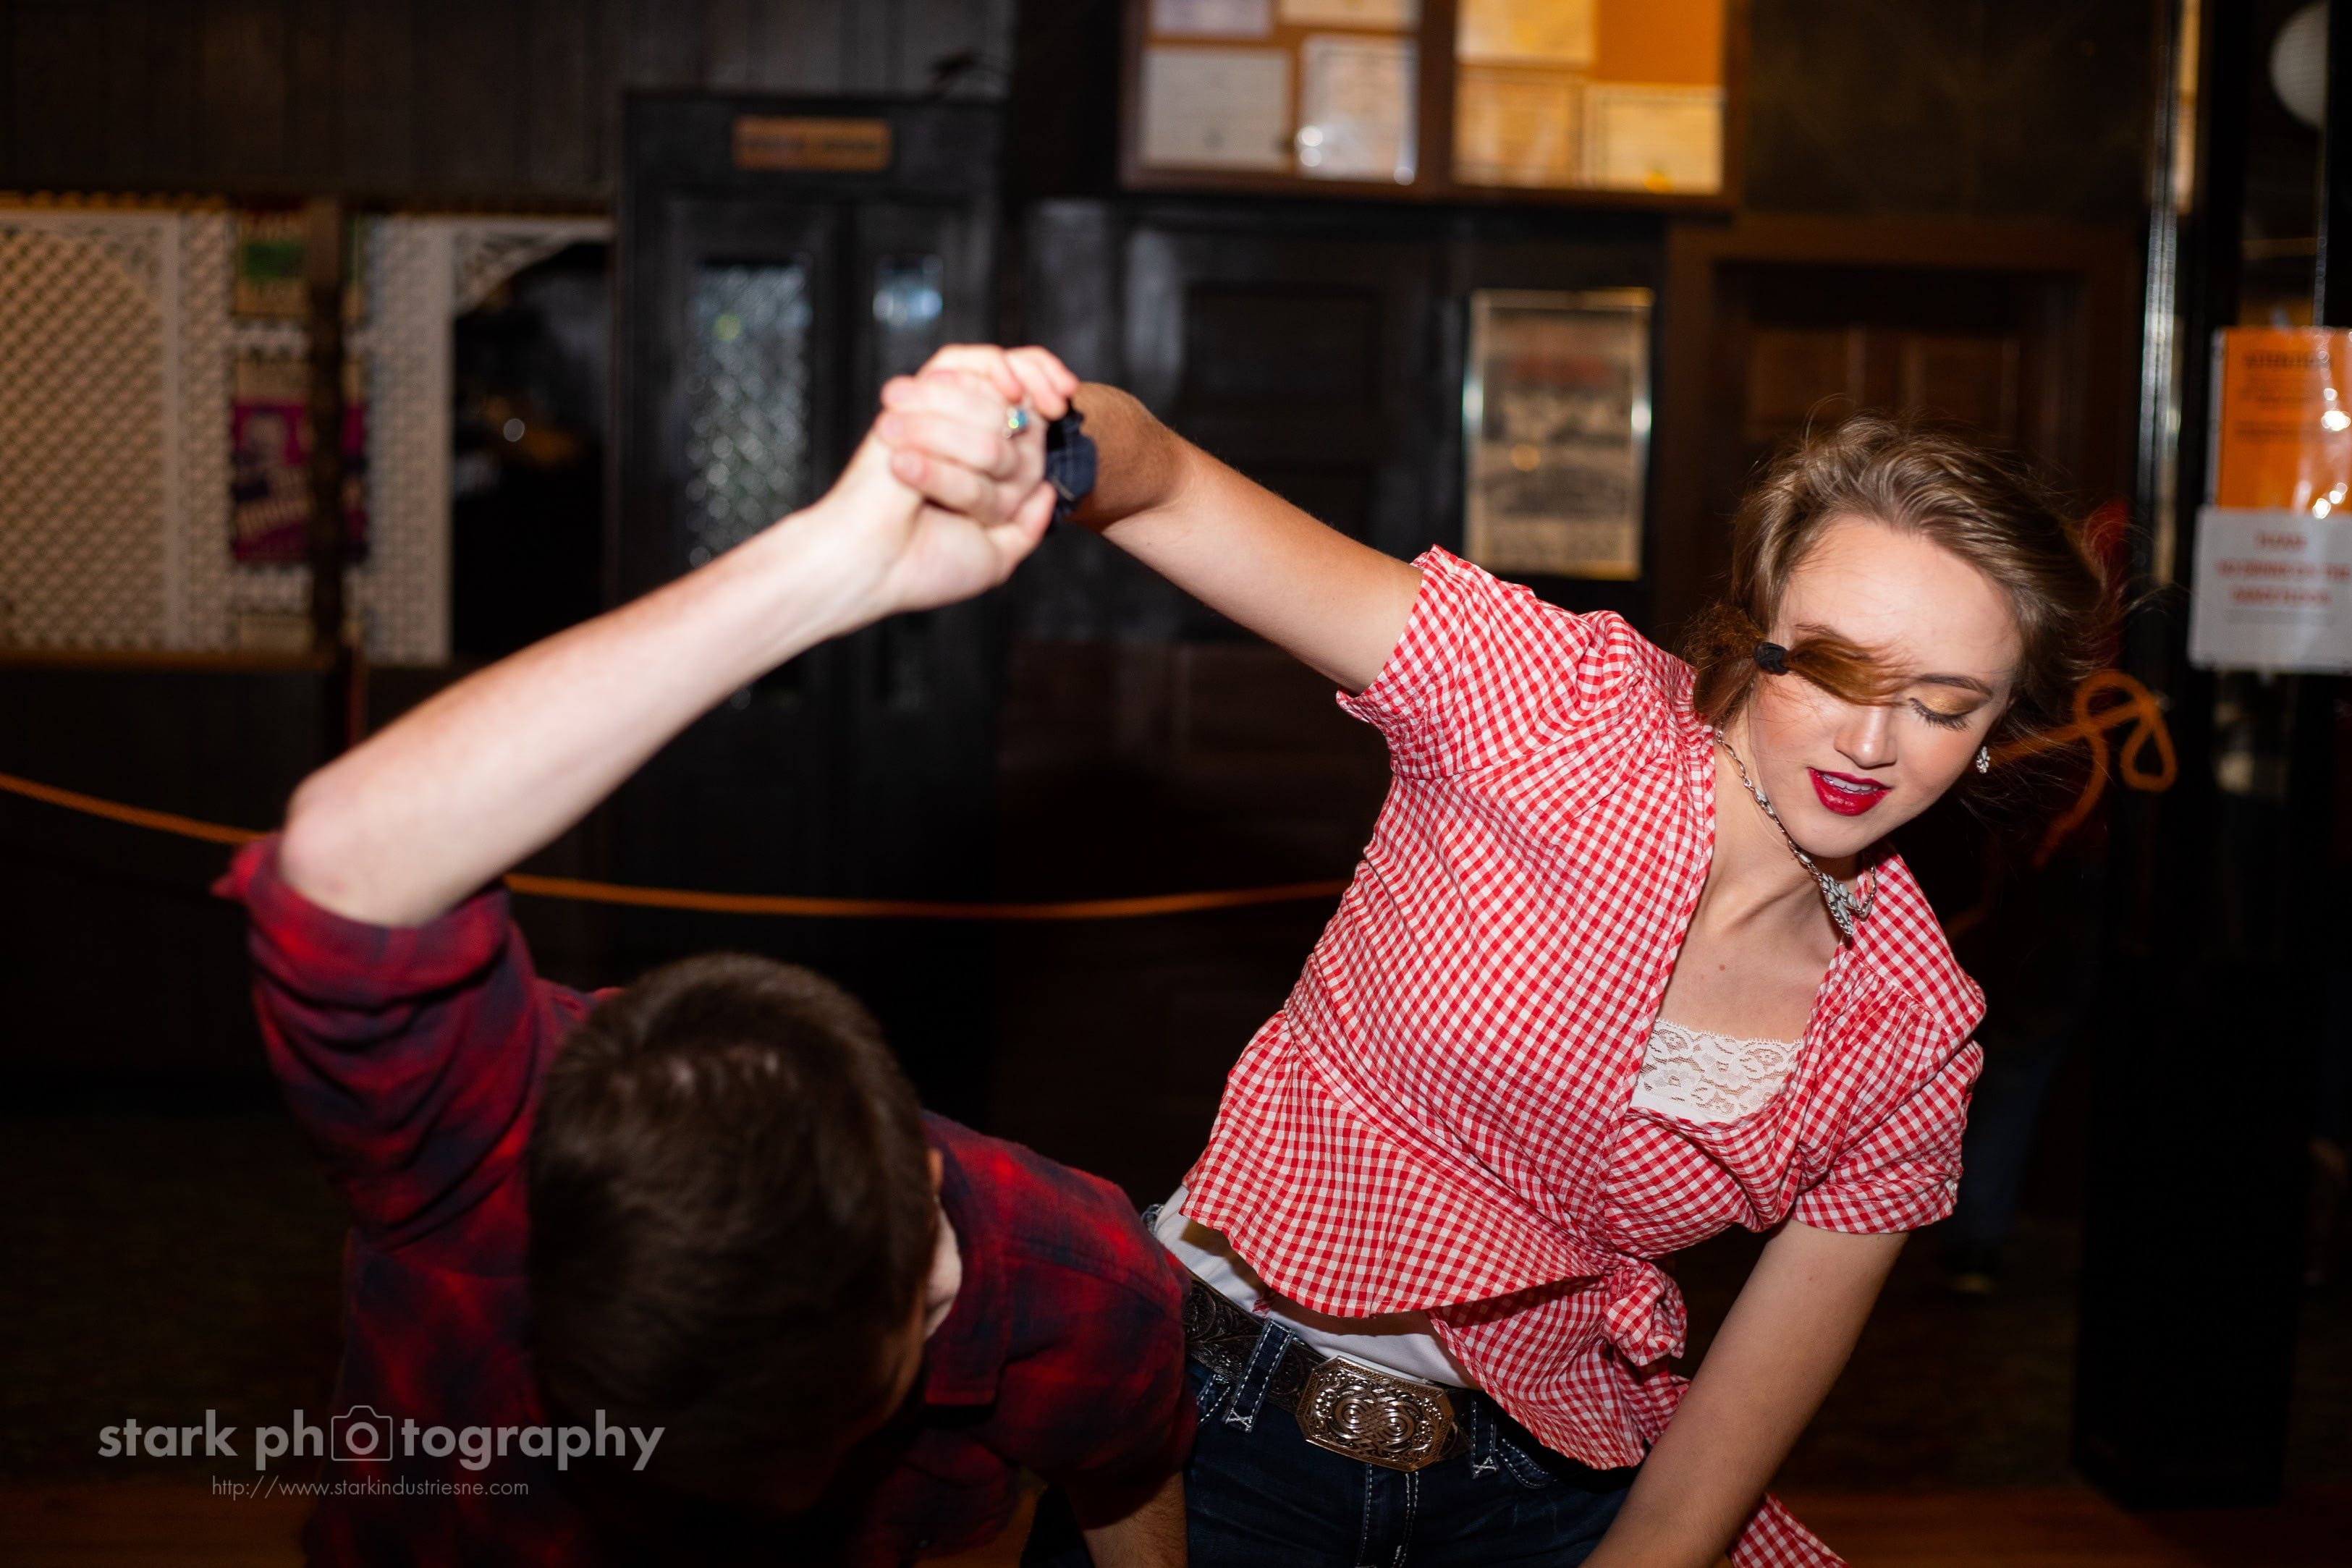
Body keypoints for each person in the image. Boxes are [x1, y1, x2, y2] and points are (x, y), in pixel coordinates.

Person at [878, 356, 2110, 1567]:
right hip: (1213, 1430)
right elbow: (1168, 484)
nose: (1871, 742)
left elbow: (1710, 1468)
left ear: (1997, 728)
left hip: (1535, 1495)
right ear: (1757, 634)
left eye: (1942, 704)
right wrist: (1038, 436)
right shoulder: (1550, 707)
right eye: (1834, 670)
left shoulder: (1910, 1028)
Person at [224, 352, 1192, 1566]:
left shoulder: (1073, 1281)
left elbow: (1125, 1464)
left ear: (926, 1240)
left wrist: (852, 565)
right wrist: (831, 566)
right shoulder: (473, 1169)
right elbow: (346, 863)